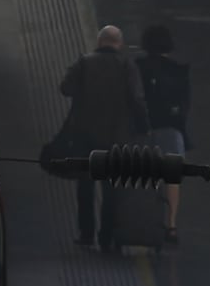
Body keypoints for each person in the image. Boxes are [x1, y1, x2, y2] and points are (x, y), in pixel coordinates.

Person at [54, 24, 146, 248]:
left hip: (85, 136)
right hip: (116, 138)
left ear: (99, 42)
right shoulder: (127, 66)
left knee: (85, 187)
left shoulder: (84, 62)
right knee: (112, 190)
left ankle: (86, 235)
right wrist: (143, 129)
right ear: (120, 43)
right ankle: (107, 236)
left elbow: (65, 88)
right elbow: (137, 99)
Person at [136, 22, 193, 239]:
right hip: (172, 130)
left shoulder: (137, 67)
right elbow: (186, 105)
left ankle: (144, 221)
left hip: (144, 129)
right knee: (172, 178)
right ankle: (171, 225)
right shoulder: (179, 71)